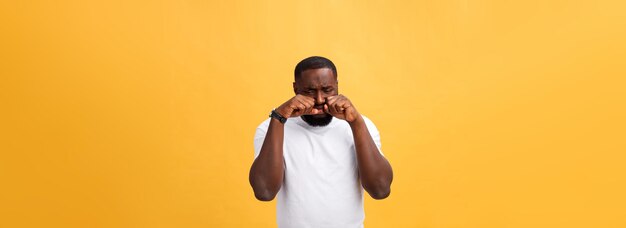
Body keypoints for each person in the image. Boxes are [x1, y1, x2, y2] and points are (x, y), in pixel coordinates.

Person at [249, 56, 393, 228]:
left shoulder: (361, 126)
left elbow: (380, 190)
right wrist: (278, 118)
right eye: (309, 91)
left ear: (337, 87)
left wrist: (356, 123)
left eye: (327, 90)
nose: (319, 99)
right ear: (295, 89)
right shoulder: (272, 128)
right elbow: (264, 192)